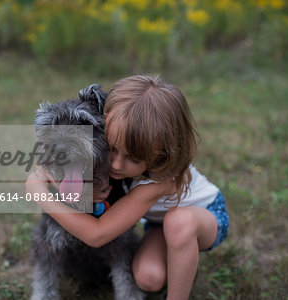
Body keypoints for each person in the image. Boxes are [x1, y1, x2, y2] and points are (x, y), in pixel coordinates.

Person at [26, 75, 229, 300]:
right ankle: (177, 253)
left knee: (178, 223)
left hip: (206, 216)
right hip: (157, 223)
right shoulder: (122, 145)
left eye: (133, 158)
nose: (115, 164)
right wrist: (59, 184)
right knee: (148, 278)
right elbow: (47, 161)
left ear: (160, 155)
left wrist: (42, 194)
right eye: (111, 148)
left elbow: (97, 235)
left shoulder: (159, 182)